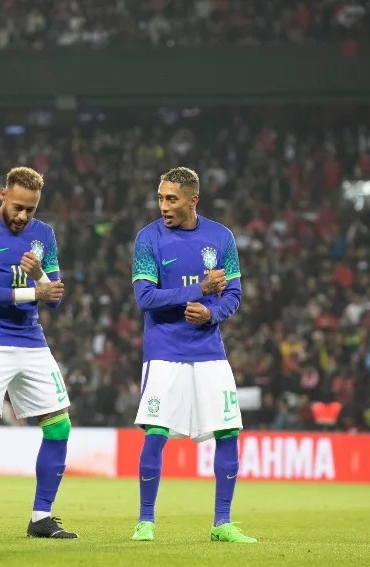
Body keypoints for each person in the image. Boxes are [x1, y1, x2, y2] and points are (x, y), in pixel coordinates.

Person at [130, 167, 257, 544]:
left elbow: (233, 294)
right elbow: (145, 298)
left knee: (229, 430)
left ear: (192, 200)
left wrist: (211, 312)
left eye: (171, 199)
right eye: (160, 198)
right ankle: (146, 521)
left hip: (208, 350)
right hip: (164, 349)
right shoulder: (148, 238)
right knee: (155, 431)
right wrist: (197, 291)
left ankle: (222, 523)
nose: (163, 206)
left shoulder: (221, 238)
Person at [0, 166, 77, 540]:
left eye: (30, 210)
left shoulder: (44, 235)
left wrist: (40, 276)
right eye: (18, 207)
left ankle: (41, 517)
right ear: (3, 195)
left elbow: (53, 298)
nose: (23, 216)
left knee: (60, 426)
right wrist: (33, 292)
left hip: (32, 340)